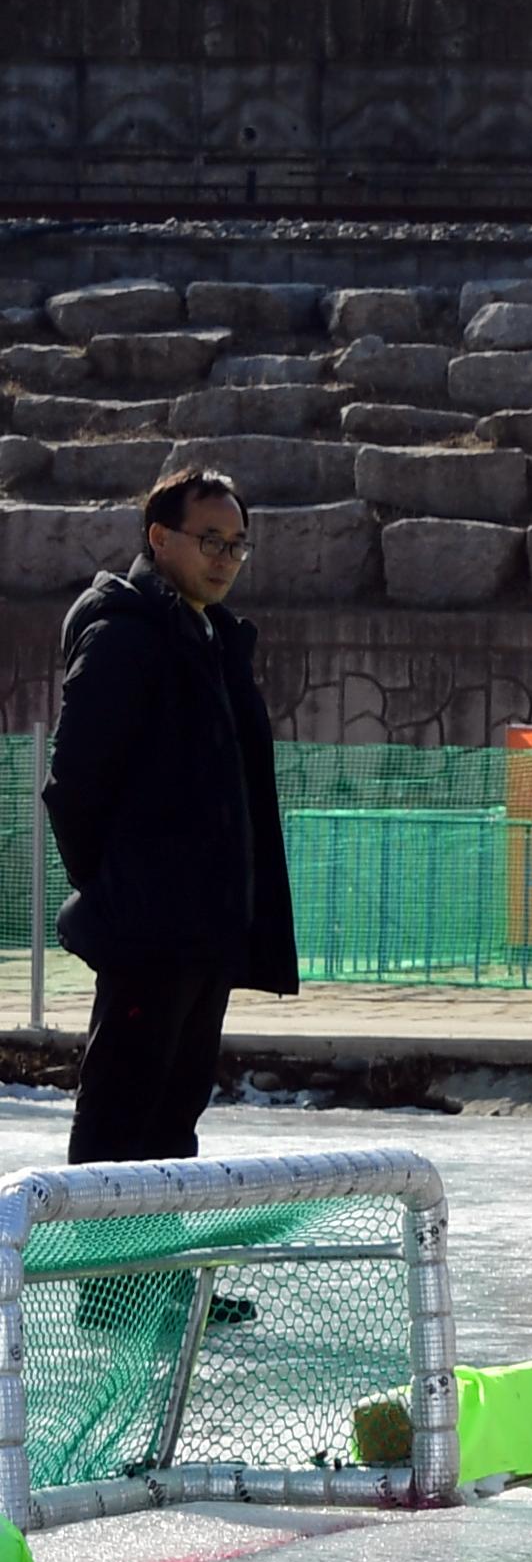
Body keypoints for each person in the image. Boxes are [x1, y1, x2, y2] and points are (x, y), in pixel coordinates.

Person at [45, 467, 296, 1167]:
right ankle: (110, 1279)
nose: (225, 559)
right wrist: (122, 889)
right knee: (121, 1114)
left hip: (204, 931)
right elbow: (73, 784)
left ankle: (160, 1277)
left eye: (238, 545)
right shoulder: (123, 634)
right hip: (147, 930)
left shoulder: (211, 637)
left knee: (174, 1116)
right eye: (209, 540)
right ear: (159, 538)